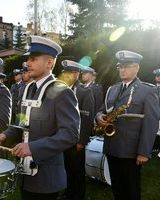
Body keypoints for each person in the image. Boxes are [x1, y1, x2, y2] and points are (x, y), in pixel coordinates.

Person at [0, 36, 80, 200]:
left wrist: (33, 148)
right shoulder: (28, 89)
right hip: (25, 175)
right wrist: (7, 134)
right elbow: (22, 123)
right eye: (27, 59)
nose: (27, 63)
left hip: (46, 177)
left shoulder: (62, 91)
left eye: (33, 59)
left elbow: (70, 134)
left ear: (49, 63)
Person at [96, 50, 160, 200]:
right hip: (112, 146)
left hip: (131, 150)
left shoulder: (147, 90)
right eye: (120, 66)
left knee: (131, 190)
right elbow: (102, 109)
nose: (122, 69)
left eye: (127, 66)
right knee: (117, 188)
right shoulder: (112, 89)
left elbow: (151, 123)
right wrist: (99, 117)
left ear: (136, 68)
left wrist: (144, 152)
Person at [60, 60, 94, 200]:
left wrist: (82, 141)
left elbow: (87, 118)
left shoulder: (85, 91)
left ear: (76, 74)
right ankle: (67, 193)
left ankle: (78, 195)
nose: (65, 76)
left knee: (77, 170)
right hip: (62, 137)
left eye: (69, 73)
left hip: (76, 139)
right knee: (65, 167)